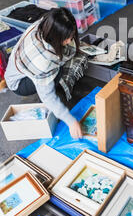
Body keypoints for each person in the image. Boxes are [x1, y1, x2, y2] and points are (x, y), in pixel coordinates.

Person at [5, 8, 84, 138]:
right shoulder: (44, 61)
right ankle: (50, 84)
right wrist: (71, 121)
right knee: (57, 72)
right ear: (55, 36)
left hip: (18, 64)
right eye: (67, 38)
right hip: (19, 83)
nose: (70, 40)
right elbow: (48, 97)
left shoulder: (45, 23)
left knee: (59, 63)